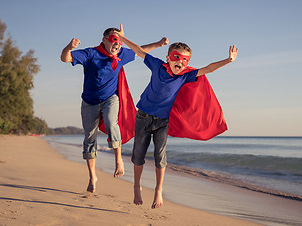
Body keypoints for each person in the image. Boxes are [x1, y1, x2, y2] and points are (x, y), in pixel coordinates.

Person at [117, 24, 238, 209]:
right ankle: (136, 186)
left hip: (163, 122)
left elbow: (209, 68)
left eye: (184, 60)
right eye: (176, 57)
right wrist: (124, 39)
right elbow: (138, 51)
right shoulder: (157, 65)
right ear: (168, 58)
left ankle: (158, 190)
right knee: (139, 154)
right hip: (142, 117)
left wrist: (228, 60)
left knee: (160, 155)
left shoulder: (185, 76)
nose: (180, 62)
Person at [60, 26, 168, 193]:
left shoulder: (122, 54)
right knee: (89, 138)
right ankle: (92, 176)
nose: (117, 44)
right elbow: (65, 59)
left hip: (111, 98)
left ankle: (118, 160)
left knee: (112, 122)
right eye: (113, 40)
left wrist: (159, 44)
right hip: (89, 102)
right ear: (104, 40)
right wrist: (69, 47)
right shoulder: (91, 53)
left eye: (119, 41)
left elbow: (140, 50)